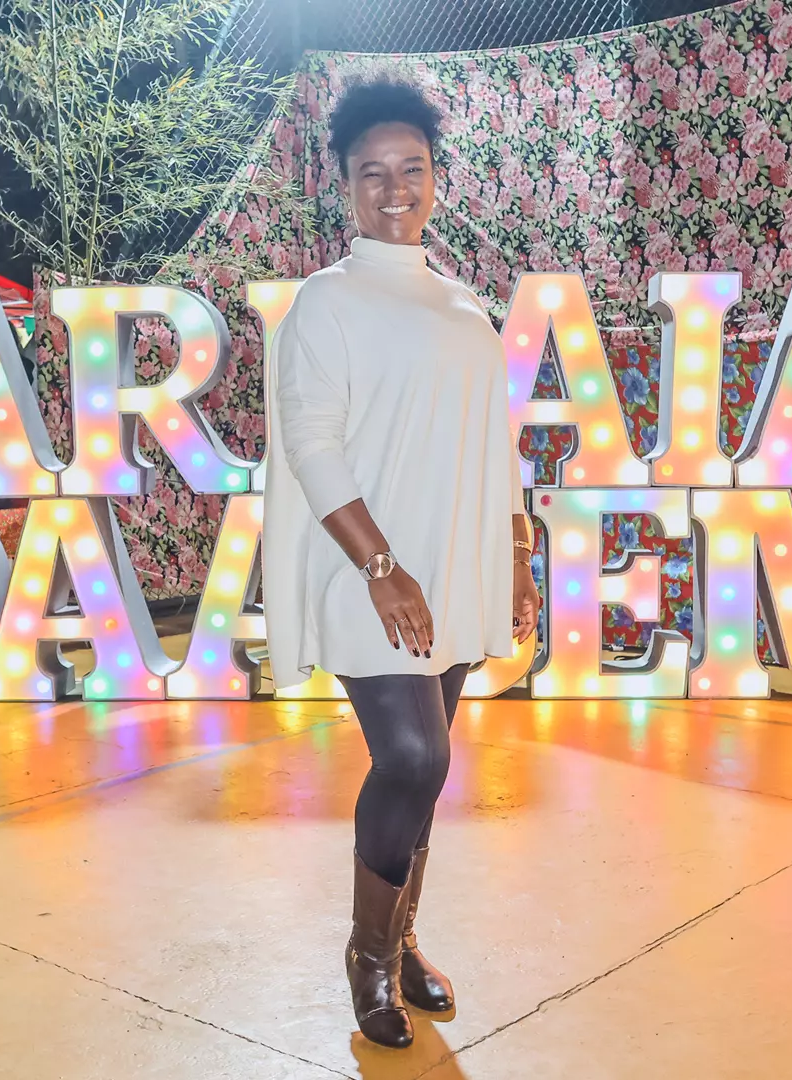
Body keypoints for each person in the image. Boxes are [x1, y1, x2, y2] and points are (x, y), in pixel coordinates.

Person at [262, 78, 541, 1050]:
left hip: (452, 566)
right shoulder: (326, 302)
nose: (394, 189)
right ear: (344, 183)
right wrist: (381, 566)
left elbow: (497, 446)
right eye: (372, 172)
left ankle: (403, 937)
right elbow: (312, 442)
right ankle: (368, 957)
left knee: (426, 770)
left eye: (411, 169)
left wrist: (515, 551)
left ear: (435, 177)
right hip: (370, 572)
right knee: (414, 758)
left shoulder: (464, 307)